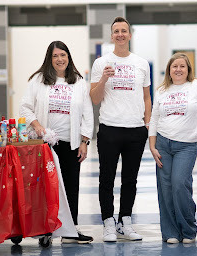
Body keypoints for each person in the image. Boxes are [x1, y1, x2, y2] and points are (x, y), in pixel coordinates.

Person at [20, 40, 94, 244]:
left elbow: (88, 114)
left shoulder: (79, 82)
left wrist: (84, 141)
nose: (60, 59)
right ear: (49, 59)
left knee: (71, 186)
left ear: (68, 57)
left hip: (71, 144)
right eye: (55, 56)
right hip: (45, 146)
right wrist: (37, 126)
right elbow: (25, 107)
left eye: (63, 55)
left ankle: (71, 230)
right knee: (46, 187)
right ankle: (46, 230)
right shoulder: (38, 80)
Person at [148, 53, 197, 244]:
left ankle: (188, 229)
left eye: (182, 66)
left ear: (188, 69)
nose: (178, 70)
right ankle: (170, 232)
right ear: (169, 70)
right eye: (175, 66)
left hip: (187, 146)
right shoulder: (162, 90)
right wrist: (152, 145)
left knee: (180, 185)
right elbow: (154, 118)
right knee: (165, 189)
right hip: (163, 144)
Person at [90, 17, 151, 242]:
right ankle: (108, 222)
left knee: (130, 179)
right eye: (116, 31)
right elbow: (94, 98)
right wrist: (104, 79)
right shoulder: (101, 63)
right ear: (111, 35)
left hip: (135, 130)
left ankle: (125, 221)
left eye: (124, 31)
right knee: (106, 178)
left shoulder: (141, 63)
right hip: (109, 128)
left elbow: (146, 97)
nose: (120, 34)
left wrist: (147, 124)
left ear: (130, 35)